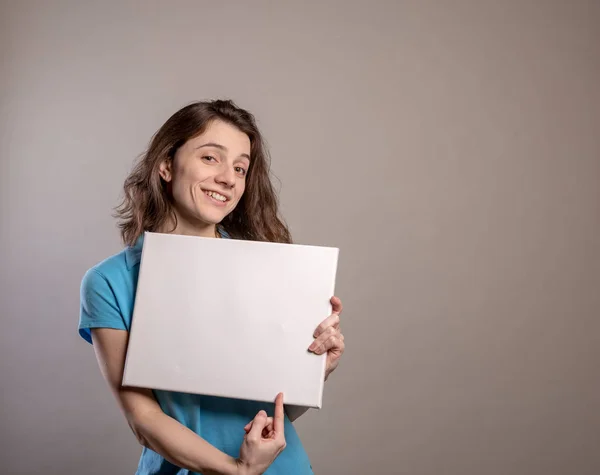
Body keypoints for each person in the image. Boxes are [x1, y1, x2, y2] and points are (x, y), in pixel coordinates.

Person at [78, 99, 346, 475]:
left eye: (240, 167)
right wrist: (235, 469)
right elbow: (142, 416)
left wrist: (315, 369)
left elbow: (268, 417)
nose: (228, 177)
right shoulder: (109, 281)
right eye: (210, 158)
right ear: (166, 165)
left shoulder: (269, 272)